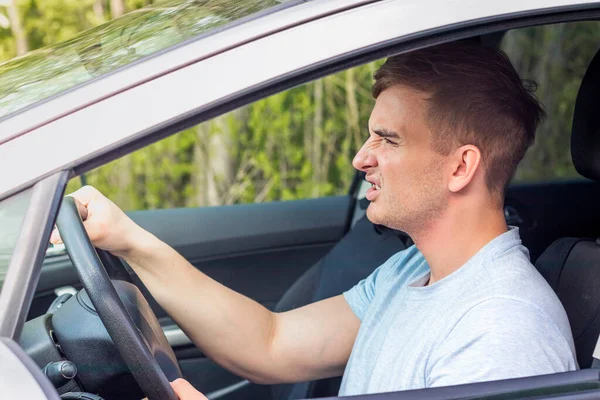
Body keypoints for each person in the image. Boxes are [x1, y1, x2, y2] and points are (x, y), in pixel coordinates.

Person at [51, 41, 578, 398]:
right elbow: (271, 343)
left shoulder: (502, 331)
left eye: (387, 140)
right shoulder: (411, 272)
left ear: (461, 166)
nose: (360, 158)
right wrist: (130, 241)